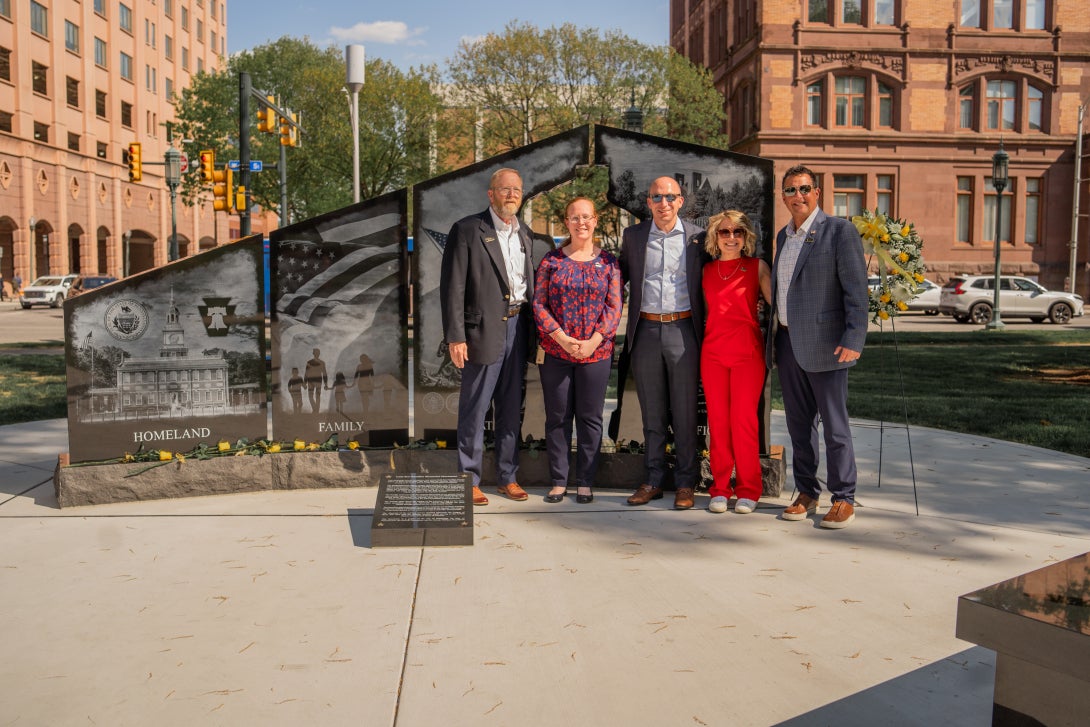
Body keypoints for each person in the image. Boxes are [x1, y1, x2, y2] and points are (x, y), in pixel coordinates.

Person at [766, 164, 869, 529]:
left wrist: (854, 337)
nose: (799, 196)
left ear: (818, 192)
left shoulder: (839, 232)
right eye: (791, 190)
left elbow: (856, 291)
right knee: (798, 425)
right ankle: (807, 491)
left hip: (828, 345)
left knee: (835, 427)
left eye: (805, 188)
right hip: (789, 342)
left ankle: (844, 497)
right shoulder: (784, 236)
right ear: (783, 196)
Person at [440, 168, 535, 506]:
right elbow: (454, 287)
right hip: (481, 332)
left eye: (517, 189)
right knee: (475, 408)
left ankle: (508, 477)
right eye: (504, 189)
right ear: (490, 194)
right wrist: (455, 336)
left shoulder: (525, 233)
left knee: (511, 409)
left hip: (518, 327)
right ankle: (469, 478)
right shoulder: (467, 230)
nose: (511, 194)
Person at [620, 176, 707, 510]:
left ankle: (685, 484)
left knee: (685, 413)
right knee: (652, 413)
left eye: (670, 197)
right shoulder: (634, 236)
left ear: (681, 201)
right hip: (645, 332)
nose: (664, 203)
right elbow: (618, 278)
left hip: (683, 331)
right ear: (649, 201)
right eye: (657, 197)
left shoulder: (698, 238)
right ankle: (653, 479)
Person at [533, 197, 622, 505]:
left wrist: (592, 342)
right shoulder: (551, 261)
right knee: (557, 417)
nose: (581, 222)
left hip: (595, 354)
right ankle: (559, 480)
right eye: (575, 217)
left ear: (595, 220)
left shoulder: (609, 263)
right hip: (557, 353)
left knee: (590, 417)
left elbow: (614, 307)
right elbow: (539, 304)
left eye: (586, 217)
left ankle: (585, 481)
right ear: (566, 222)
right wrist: (561, 338)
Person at [701, 210, 772, 514]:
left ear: (746, 238)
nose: (732, 237)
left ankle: (748, 489)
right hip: (713, 354)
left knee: (743, 422)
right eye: (725, 232)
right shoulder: (705, 271)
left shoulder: (757, 268)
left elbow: (781, 305)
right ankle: (719, 488)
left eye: (738, 232)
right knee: (718, 423)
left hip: (747, 354)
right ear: (715, 237)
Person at [304, 348, 328, 414]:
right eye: (316, 353)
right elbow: (306, 373)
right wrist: (305, 382)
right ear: (314, 353)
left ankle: (316, 410)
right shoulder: (309, 362)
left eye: (317, 353)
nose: (316, 354)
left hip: (315, 381)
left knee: (314, 396)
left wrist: (326, 384)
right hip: (313, 381)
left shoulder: (320, 363)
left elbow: (324, 373)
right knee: (313, 396)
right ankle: (316, 409)